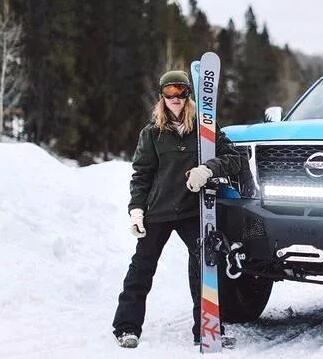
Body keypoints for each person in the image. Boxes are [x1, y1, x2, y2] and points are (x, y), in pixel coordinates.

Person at [112, 70, 241, 348]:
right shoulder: (152, 133)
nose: (175, 98)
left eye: (180, 92)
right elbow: (141, 175)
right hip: (158, 210)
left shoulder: (204, 128)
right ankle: (126, 327)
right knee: (141, 268)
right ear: (162, 96)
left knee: (204, 265)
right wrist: (136, 209)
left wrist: (208, 169)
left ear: (187, 95)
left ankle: (206, 330)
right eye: (169, 93)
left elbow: (234, 158)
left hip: (193, 211)